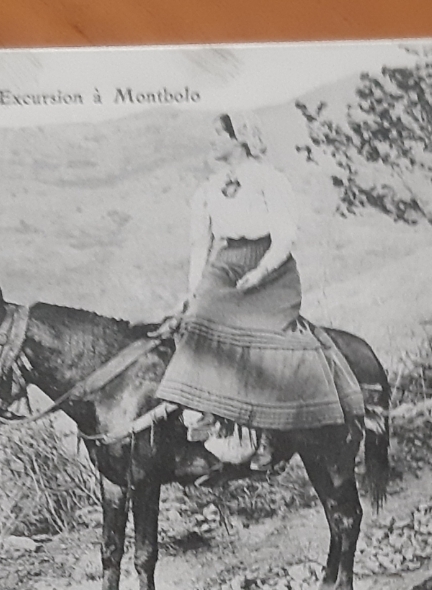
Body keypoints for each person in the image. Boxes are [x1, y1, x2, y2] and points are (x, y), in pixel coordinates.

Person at [155, 112, 362, 470]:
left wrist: (261, 271)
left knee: (265, 337)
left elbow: (284, 236)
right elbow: (198, 246)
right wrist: (194, 291)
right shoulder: (207, 190)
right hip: (226, 263)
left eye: (220, 134)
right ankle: (206, 412)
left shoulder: (270, 180)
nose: (213, 141)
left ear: (241, 138)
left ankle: (271, 432)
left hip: (270, 266)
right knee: (197, 319)